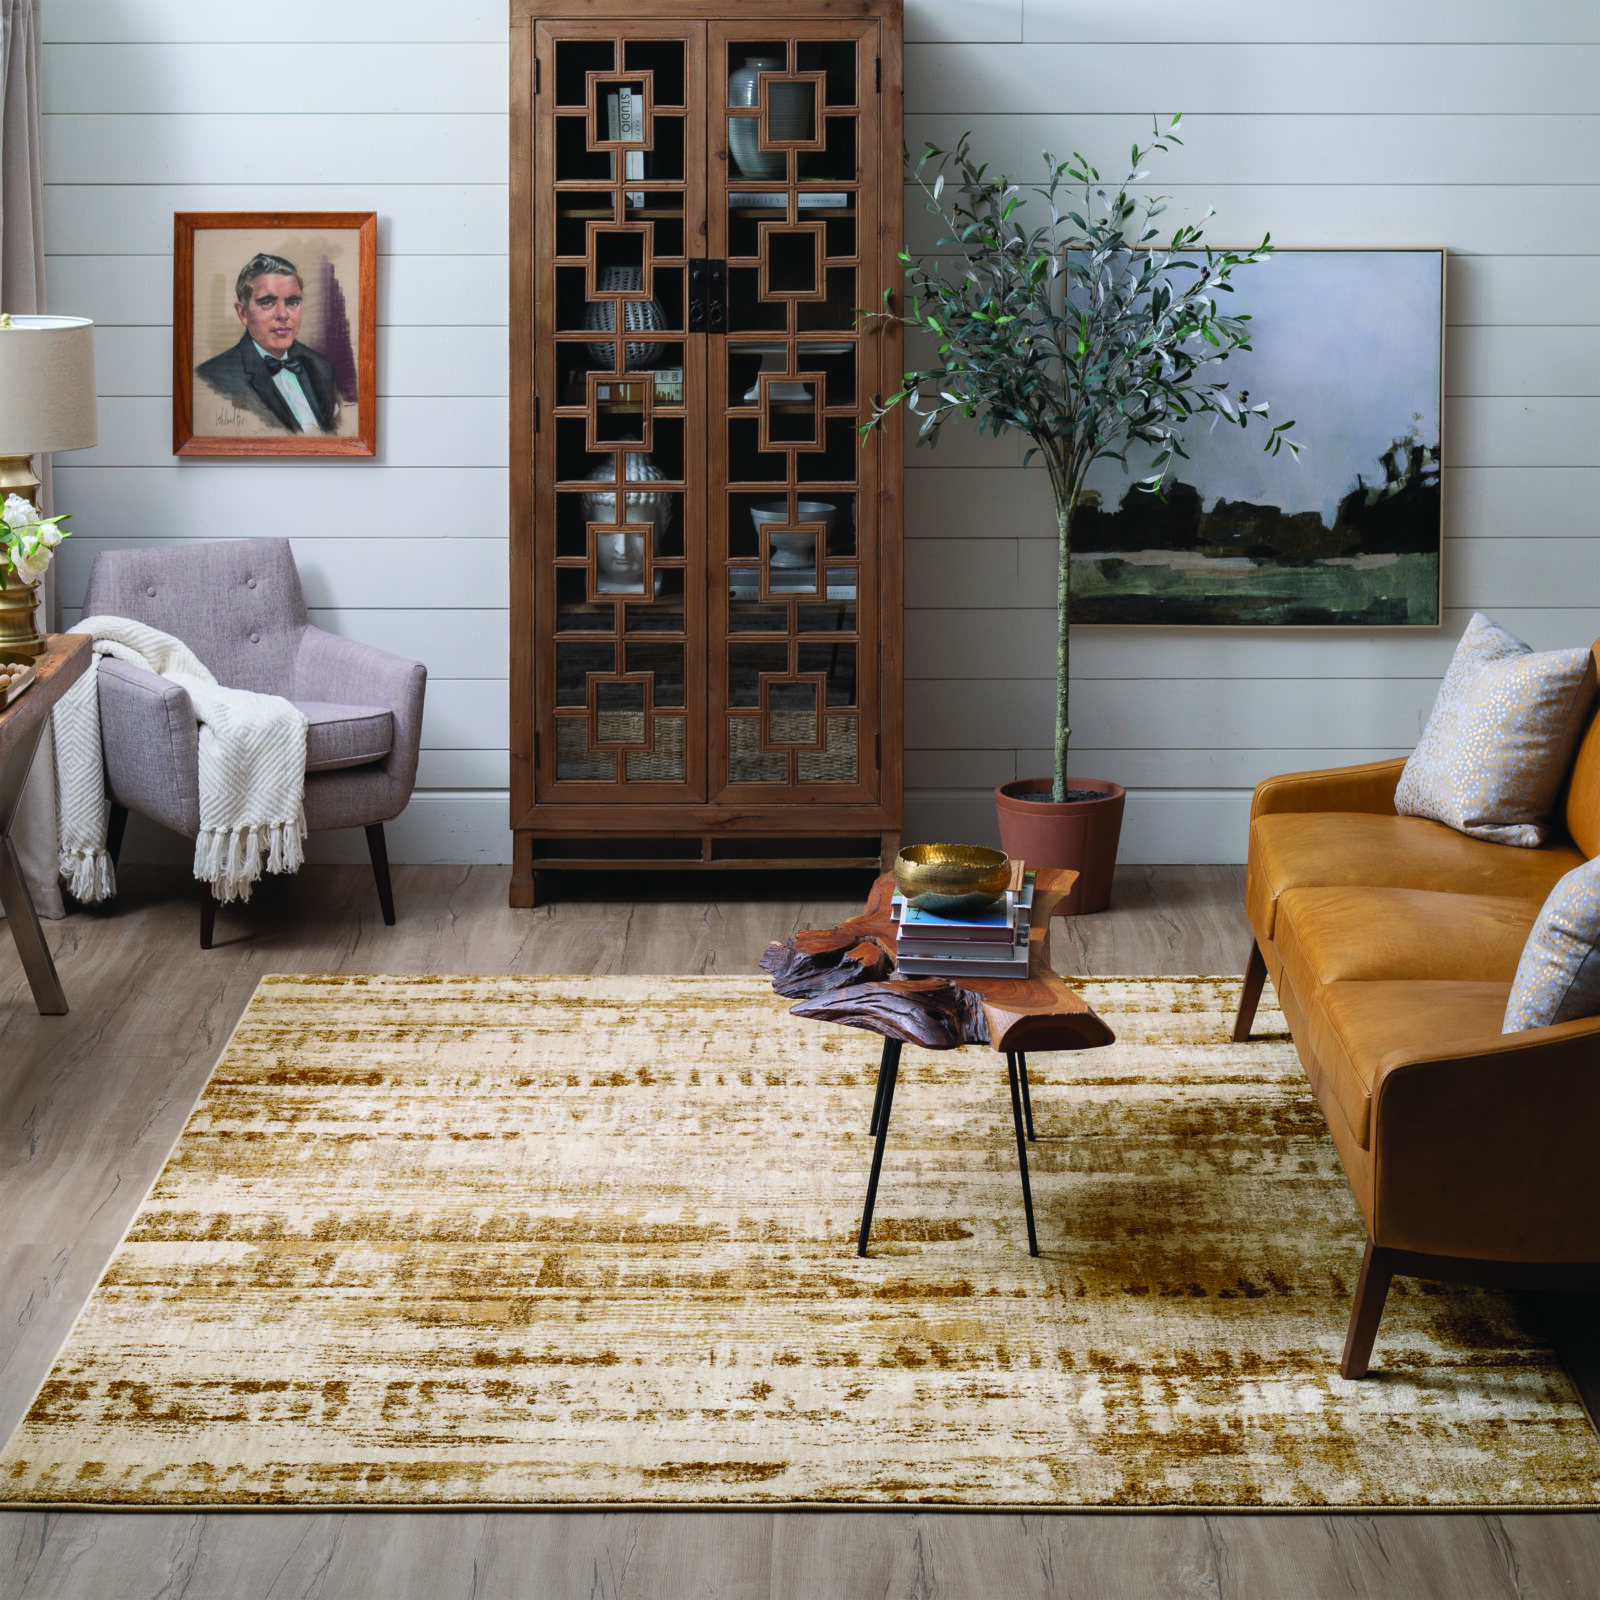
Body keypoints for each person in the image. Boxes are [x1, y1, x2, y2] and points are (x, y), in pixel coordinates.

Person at [196, 252, 340, 434]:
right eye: (267, 302)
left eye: (292, 302)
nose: (283, 314)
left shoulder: (322, 368)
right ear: (243, 313)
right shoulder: (212, 380)